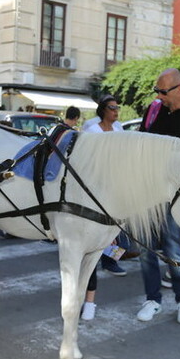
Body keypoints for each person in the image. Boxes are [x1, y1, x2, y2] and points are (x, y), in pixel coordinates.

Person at [136, 68, 180, 325]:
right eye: (157, 91)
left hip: (174, 195)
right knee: (146, 249)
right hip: (149, 191)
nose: (159, 96)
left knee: (173, 250)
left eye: (162, 91)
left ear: (179, 89)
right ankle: (152, 299)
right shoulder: (155, 110)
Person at [80, 95, 129, 321]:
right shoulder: (92, 132)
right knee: (87, 253)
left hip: (116, 192)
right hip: (93, 193)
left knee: (106, 243)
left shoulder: (119, 130)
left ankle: (91, 299)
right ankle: (84, 299)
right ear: (103, 110)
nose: (116, 111)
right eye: (112, 108)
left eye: (117, 107)